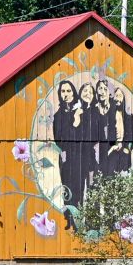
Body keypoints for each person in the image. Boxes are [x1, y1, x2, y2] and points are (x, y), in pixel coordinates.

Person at [52, 80, 84, 216]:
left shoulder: (81, 112)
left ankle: (79, 216)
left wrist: (77, 118)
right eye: (63, 91)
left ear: (74, 93)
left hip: (81, 156)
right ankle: (69, 218)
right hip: (66, 156)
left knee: (80, 187)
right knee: (67, 187)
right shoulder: (58, 116)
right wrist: (75, 123)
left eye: (69, 91)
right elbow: (59, 138)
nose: (66, 94)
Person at [106, 86, 133, 174]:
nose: (117, 98)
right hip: (112, 151)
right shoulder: (108, 116)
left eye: (119, 96)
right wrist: (112, 146)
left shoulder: (128, 117)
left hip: (124, 153)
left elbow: (132, 137)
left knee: (124, 178)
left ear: (123, 99)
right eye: (116, 96)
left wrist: (126, 149)